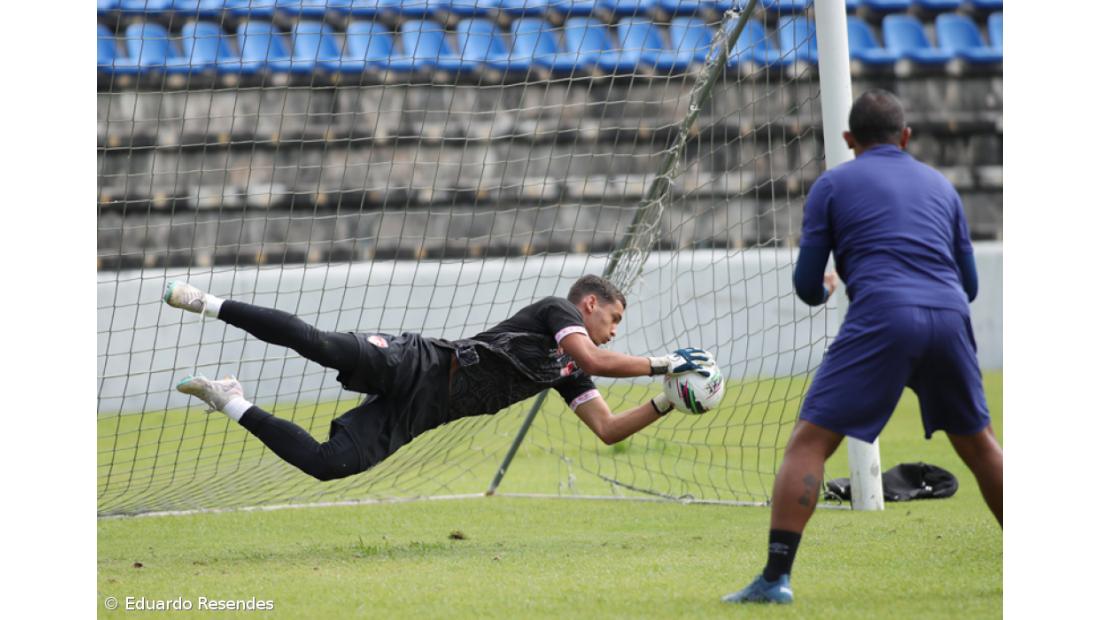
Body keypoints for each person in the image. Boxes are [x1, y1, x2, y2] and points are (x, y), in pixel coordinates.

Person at [722, 90, 1003, 605]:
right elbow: (970, 285)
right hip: (948, 314)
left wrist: (829, 288)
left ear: (850, 140)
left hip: (882, 315)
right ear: (906, 136)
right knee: (980, 446)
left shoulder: (834, 184)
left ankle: (775, 579)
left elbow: (808, 285)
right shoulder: (941, 187)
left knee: (809, 443)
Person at [166, 274, 714, 482]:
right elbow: (597, 361)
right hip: (423, 361)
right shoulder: (557, 314)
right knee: (319, 344)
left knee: (327, 464)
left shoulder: (567, 370)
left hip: (424, 411)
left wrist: (667, 401)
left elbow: (609, 429)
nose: (614, 332)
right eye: (613, 319)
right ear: (589, 305)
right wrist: (666, 362)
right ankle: (209, 302)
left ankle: (229, 398)